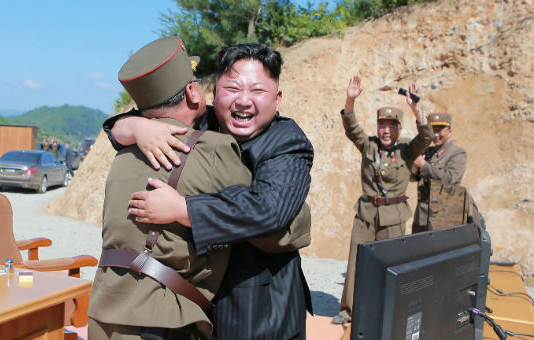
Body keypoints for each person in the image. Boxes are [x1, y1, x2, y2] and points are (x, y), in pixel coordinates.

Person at [88, 36, 310, 340]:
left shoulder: (287, 142)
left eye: (257, 90)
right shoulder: (201, 121)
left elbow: (269, 211)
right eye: (232, 89)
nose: (243, 100)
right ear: (213, 93)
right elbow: (132, 119)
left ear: (278, 98)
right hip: (197, 301)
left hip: (257, 303)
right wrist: (136, 127)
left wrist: (183, 209)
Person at [331, 75, 433, 325]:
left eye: (391, 126)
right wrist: (350, 99)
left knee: (392, 266)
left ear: (399, 129)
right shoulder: (368, 146)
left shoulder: (407, 150)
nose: (386, 130)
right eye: (382, 125)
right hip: (366, 214)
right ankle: (349, 310)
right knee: (357, 262)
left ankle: (390, 310)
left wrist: (415, 108)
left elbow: (426, 137)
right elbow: (350, 126)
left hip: (394, 216)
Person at [410, 113, 467, 233]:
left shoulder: (457, 153)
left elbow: (451, 179)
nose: (436, 135)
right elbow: (413, 177)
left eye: (440, 130)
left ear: (449, 131)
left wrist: (423, 165)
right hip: (422, 216)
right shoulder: (427, 151)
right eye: (433, 130)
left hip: (443, 217)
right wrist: (415, 169)